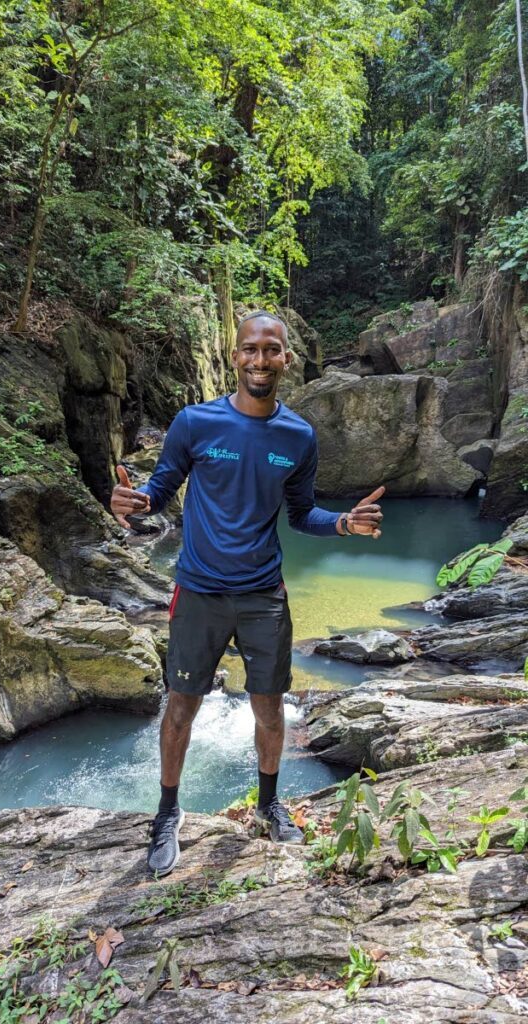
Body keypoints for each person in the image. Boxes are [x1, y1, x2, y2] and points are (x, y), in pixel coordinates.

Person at [111, 310, 384, 876]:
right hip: (199, 592)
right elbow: (159, 491)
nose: (261, 360)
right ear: (235, 356)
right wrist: (135, 507)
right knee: (181, 707)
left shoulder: (298, 436)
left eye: (272, 350)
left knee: (269, 705)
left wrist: (342, 524)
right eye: (251, 350)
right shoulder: (195, 422)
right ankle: (166, 814)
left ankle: (267, 805)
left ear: (287, 358)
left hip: (263, 595)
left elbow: (302, 512)